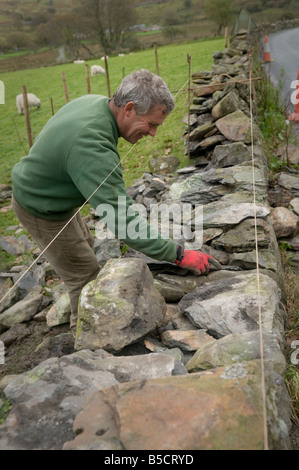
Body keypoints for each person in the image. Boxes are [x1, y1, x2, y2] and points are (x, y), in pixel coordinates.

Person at [11, 69, 215, 329]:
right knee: (84, 276)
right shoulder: (93, 147)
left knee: (84, 245)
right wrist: (178, 254)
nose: (153, 134)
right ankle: (85, 340)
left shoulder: (95, 103)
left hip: (51, 194)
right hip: (40, 207)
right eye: (150, 124)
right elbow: (124, 223)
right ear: (128, 108)